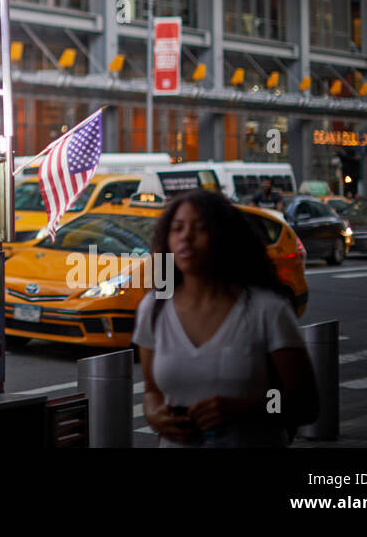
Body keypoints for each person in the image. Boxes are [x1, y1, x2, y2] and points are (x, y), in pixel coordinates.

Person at [134, 190, 318, 447]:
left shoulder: (267, 310)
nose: (186, 236)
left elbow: (305, 404)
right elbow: (152, 392)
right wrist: (154, 415)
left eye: (199, 228)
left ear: (224, 238)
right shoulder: (153, 309)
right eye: (177, 228)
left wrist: (244, 408)